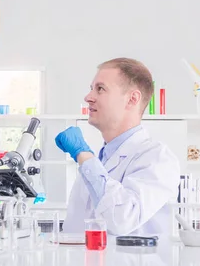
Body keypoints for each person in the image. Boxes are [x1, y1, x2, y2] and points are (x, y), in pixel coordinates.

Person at [55, 58, 180, 236]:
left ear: (132, 99)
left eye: (100, 89)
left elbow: (122, 219)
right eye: (91, 89)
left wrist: (83, 155)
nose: (88, 97)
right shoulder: (100, 161)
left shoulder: (158, 158)